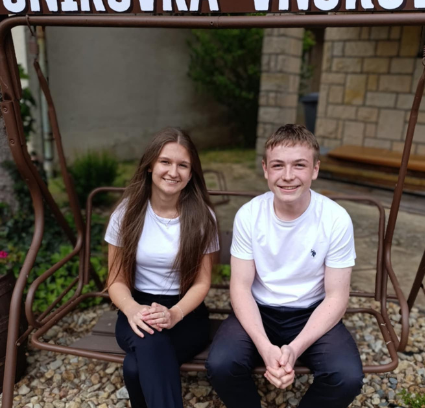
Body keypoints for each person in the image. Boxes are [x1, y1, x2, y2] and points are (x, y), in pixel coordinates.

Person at [207, 124, 363, 408]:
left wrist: (294, 349)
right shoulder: (249, 215)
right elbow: (240, 288)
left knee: (346, 377)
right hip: (259, 310)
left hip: (312, 312)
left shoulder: (335, 219)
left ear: (315, 169)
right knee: (221, 365)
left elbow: (337, 296)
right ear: (266, 169)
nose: (288, 176)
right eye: (278, 165)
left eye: (299, 165)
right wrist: (265, 347)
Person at [106, 127, 219, 408]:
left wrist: (174, 313)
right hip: (137, 307)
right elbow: (116, 280)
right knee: (149, 342)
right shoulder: (126, 214)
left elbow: (202, 282)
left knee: (135, 367)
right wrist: (133, 309)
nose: (173, 172)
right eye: (165, 162)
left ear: (191, 173)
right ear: (149, 166)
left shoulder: (203, 218)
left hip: (186, 312)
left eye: (183, 165)